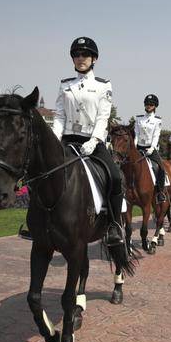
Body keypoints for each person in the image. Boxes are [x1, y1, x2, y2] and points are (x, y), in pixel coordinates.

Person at [50, 36, 124, 246]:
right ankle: (38, 221)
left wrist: (94, 140)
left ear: (94, 58)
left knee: (116, 177)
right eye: (76, 54)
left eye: (85, 54)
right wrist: (56, 138)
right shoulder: (65, 85)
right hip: (67, 140)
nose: (80, 58)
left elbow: (103, 117)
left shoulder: (103, 85)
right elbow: (59, 115)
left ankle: (114, 225)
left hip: (93, 141)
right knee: (42, 173)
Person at [135, 94, 166, 202]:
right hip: (139, 147)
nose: (149, 106)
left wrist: (152, 148)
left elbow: (156, 135)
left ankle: (160, 192)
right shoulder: (139, 118)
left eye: (151, 105)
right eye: (147, 104)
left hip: (150, 148)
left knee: (161, 168)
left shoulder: (157, 120)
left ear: (155, 106)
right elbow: (136, 133)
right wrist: (135, 145)